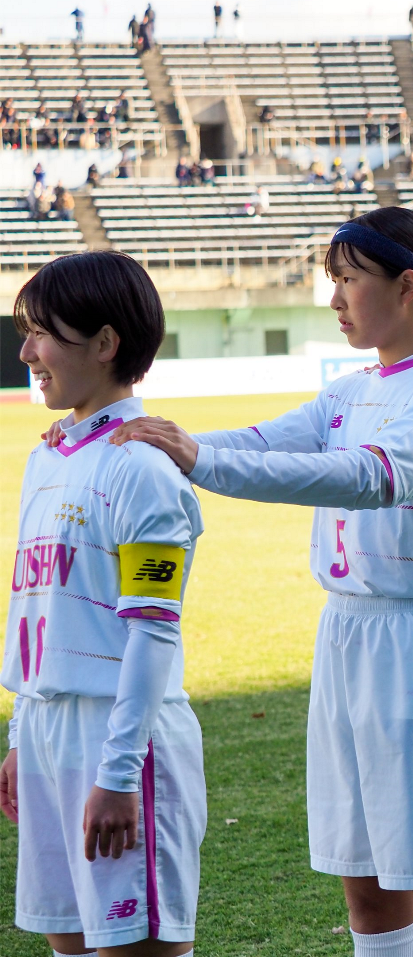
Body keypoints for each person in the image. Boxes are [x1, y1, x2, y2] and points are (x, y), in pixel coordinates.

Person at [108, 208, 413, 957]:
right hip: (344, 640)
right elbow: (262, 440)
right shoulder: (351, 390)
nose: (334, 298)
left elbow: (373, 476)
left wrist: (196, 459)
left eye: (349, 280)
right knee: (366, 892)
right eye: (333, 280)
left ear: (409, 287)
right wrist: (125, 442)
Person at [1, 252, 207, 957]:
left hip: (120, 746)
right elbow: (43, 613)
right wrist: (22, 735)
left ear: (106, 343)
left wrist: (118, 773)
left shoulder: (143, 469)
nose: (26, 350)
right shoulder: (47, 458)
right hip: (49, 736)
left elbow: (153, 633)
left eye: (41, 333)